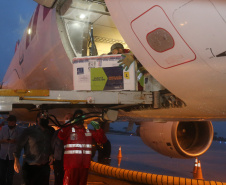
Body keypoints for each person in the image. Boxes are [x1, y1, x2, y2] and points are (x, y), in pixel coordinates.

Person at [58, 110, 107, 185]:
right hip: (71, 166)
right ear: (74, 118)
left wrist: (98, 129)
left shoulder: (88, 132)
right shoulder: (69, 130)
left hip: (84, 166)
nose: (79, 119)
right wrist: (69, 123)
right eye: (77, 117)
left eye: (81, 117)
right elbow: (61, 135)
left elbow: (102, 140)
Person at [13, 113, 55, 185]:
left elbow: (52, 144)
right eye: (43, 116)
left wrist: (51, 154)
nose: (45, 118)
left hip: (44, 167)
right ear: (38, 119)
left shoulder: (50, 131)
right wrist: (16, 160)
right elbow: (19, 145)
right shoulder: (29, 131)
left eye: (46, 117)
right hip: (30, 167)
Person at [0, 115, 23, 185]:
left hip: (12, 155)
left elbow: (21, 142)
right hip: (3, 154)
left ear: (15, 122)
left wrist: (14, 141)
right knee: (2, 173)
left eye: (12, 122)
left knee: (10, 174)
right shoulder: (3, 128)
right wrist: (4, 140)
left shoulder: (19, 130)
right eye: (9, 122)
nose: (11, 124)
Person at [51, 114, 72, 185]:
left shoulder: (73, 133)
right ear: (63, 121)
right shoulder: (57, 133)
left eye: (70, 118)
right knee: (58, 180)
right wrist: (52, 158)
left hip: (69, 161)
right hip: (59, 160)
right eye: (67, 118)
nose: (68, 119)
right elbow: (53, 145)